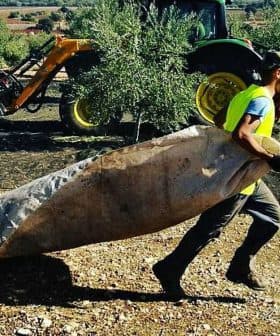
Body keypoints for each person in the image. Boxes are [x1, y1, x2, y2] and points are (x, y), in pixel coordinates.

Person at [152, 50, 280, 298]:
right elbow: (241, 134)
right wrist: (270, 158)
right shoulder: (262, 100)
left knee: (272, 218)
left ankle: (240, 266)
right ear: (277, 73)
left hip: (246, 175)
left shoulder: (246, 94)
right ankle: (169, 268)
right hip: (235, 179)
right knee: (209, 229)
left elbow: (220, 119)